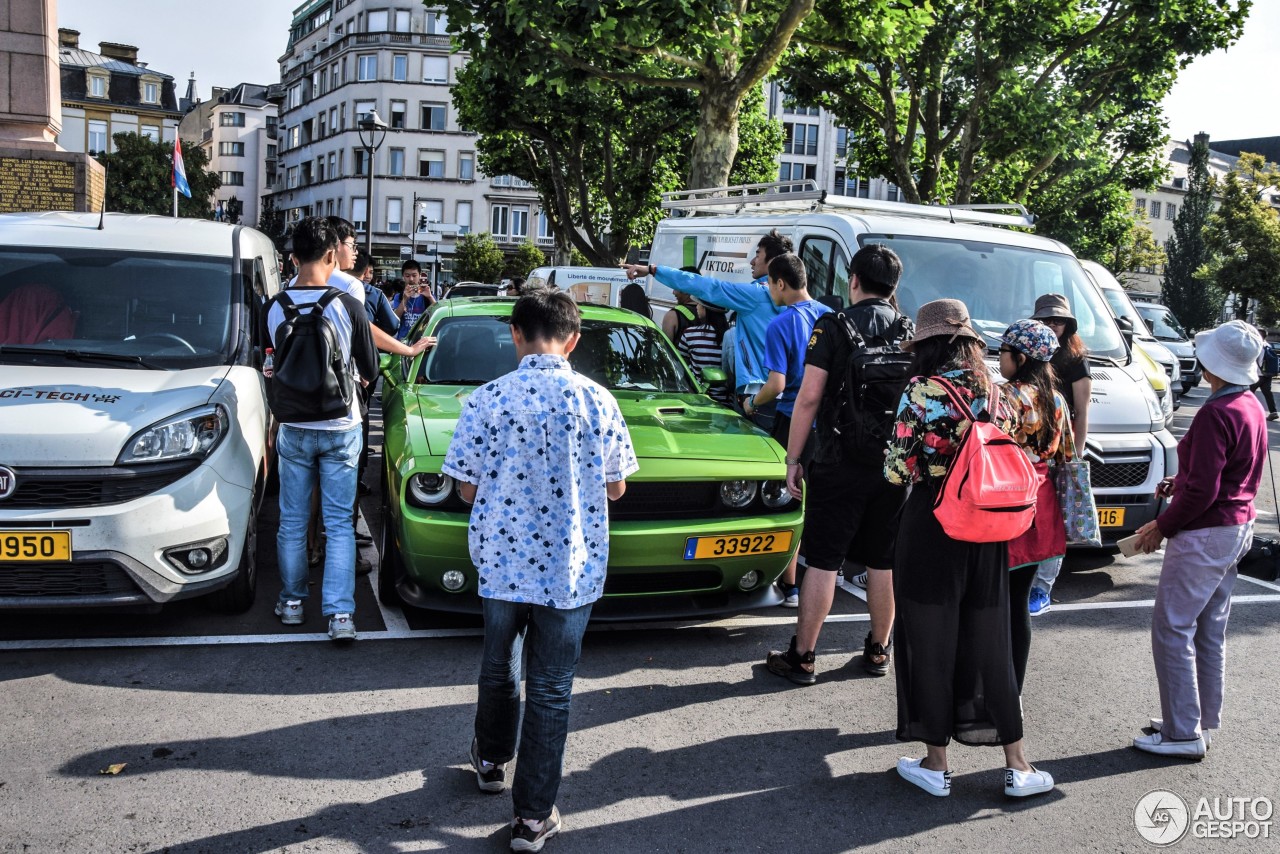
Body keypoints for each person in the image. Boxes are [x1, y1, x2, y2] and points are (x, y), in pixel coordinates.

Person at [443, 289, 639, 851]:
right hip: (569, 567)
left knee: (498, 665)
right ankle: (531, 818)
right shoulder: (598, 401)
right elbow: (617, 485)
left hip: (503, 563)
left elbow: (465, 486)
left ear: (515, 335)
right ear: (573, 339)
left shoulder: (487, 399)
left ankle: (488, 760)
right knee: (552, 688)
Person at [884, 298, 1053, 799]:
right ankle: (1018, 765)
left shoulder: (921, 390)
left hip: (933, 527)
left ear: (928, 344)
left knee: (929, 644)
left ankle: (936, 765)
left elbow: (896, 469)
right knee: (992, 643)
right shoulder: (1000, 393)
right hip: (988, 532)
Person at [766, 244, 911, 684]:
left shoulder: (832, 325)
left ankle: (804, 656)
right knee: (883, 562)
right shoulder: (910, 329)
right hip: (893, 465)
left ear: (853, 280)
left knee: (824, 561)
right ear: (895, 286)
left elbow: (809, 397)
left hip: (838, 461)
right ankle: (878, 650)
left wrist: (794, 459)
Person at [1129, 320, 1266, 758]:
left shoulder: (1215, 412)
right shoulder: (1250, 405)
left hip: (1206, 532)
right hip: (1236, 527)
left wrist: (1160, 526)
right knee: (1208, 630)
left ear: (1212, 364)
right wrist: (1180, 480)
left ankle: (1182, 732)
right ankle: (1195, 720)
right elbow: (1220, 476)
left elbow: (1205, 489)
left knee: (1172, 628)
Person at [266, 217, 378, 642]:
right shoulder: (347, 304)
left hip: (293, 424)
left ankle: (292, 603)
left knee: (292, 522)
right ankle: (341, 616)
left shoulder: (274, 305)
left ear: (293, 258)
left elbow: (270, 363)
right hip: (340, 425)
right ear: (332, 256)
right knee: (336, 524)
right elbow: (369, 367)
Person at [623, 230, 792, 430]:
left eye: (758, 255)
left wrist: (653, 270)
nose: (752, 262)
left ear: (771, 263)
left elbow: (705, 285)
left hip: (757, 398)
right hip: (787, 397)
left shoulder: (756, 295)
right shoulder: (799, 303)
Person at [745, 253, 830, 606]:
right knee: (818, 498)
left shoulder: (780, 324)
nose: (768, 291)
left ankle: (790, 585)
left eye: (768, 284)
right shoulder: (830, 316)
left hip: (791, 417)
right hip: (828, 422)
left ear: (780, 283)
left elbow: (777, 384)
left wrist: (752, 403)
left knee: (787, 497)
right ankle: (825, 571)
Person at [997, 319, 1071, 692]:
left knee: (989, 601)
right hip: (1040, 503)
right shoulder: (1057, 399)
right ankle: (1014, 691)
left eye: (1003, 352)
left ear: (1020, 356)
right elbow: (1068, 455)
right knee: (1018, 602)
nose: (999, 359)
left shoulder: (1005, 396)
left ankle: (985, 687)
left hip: (1003, 501)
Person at [1027, 293, 1091, 616]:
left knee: (1055, 521)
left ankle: (1043, 586)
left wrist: (1074, 459)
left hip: (1060, 450)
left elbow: (1082, 412)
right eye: (1048, 319)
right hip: (1028, 450)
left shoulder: (1076, 358)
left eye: (1060, 320)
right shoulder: (1030, 351)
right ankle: (1026, 579)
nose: (1054, 325)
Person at [676, 298, 732, 406]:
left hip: (698, 399)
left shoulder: (690, 334)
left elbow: (680, 366)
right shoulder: (732, 336)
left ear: (707, 309)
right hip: (727, 403)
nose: (697, 307)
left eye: (699, 304)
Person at [392, 260, 433, 339]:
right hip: (403, 341)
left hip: (422, 340)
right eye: (407, 276)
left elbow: (438, 313)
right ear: (403, 276)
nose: (411, 279)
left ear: (420, 276)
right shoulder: (399, 296)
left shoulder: (427, 296)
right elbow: (395, 318)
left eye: (414, 275)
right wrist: (405, 299)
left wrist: (430, 297)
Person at [1251, 329, 1279, 420]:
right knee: (1267, 393)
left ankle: (1251, 412)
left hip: (1259, 375)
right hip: (1267, 374)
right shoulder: (1268, 345)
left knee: (1248, 392)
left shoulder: (1258, 346)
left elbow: (1254, 360)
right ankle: (1273, 412)